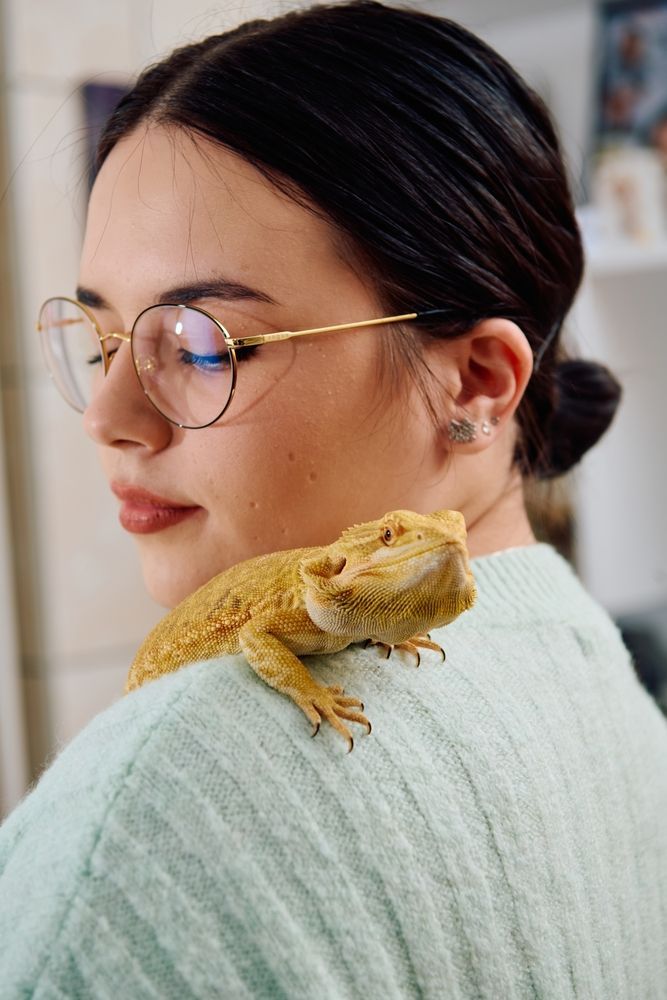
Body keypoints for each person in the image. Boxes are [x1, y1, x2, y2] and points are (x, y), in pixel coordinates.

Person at [1, 2, 666, 996]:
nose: (108, 416)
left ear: (478, 379)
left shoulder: (168, 803)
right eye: (100, 341)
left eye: (197, 346)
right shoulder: (599, 674)